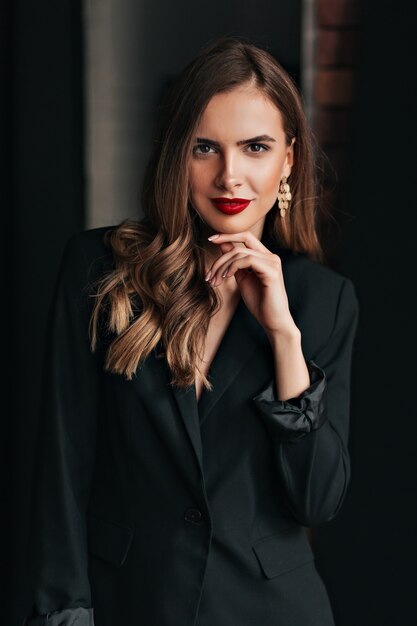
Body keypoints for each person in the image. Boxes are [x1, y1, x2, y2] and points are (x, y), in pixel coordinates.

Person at [26, 36, 359, 626]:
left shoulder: (323, 301)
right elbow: (61, 462)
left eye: (255, 147)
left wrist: (284, 336)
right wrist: (64, 608)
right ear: (176, 156)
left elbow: (316, 501)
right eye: (206, 147)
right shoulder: (95, 270)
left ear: (289, 160)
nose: (230, 175)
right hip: (129, 603)